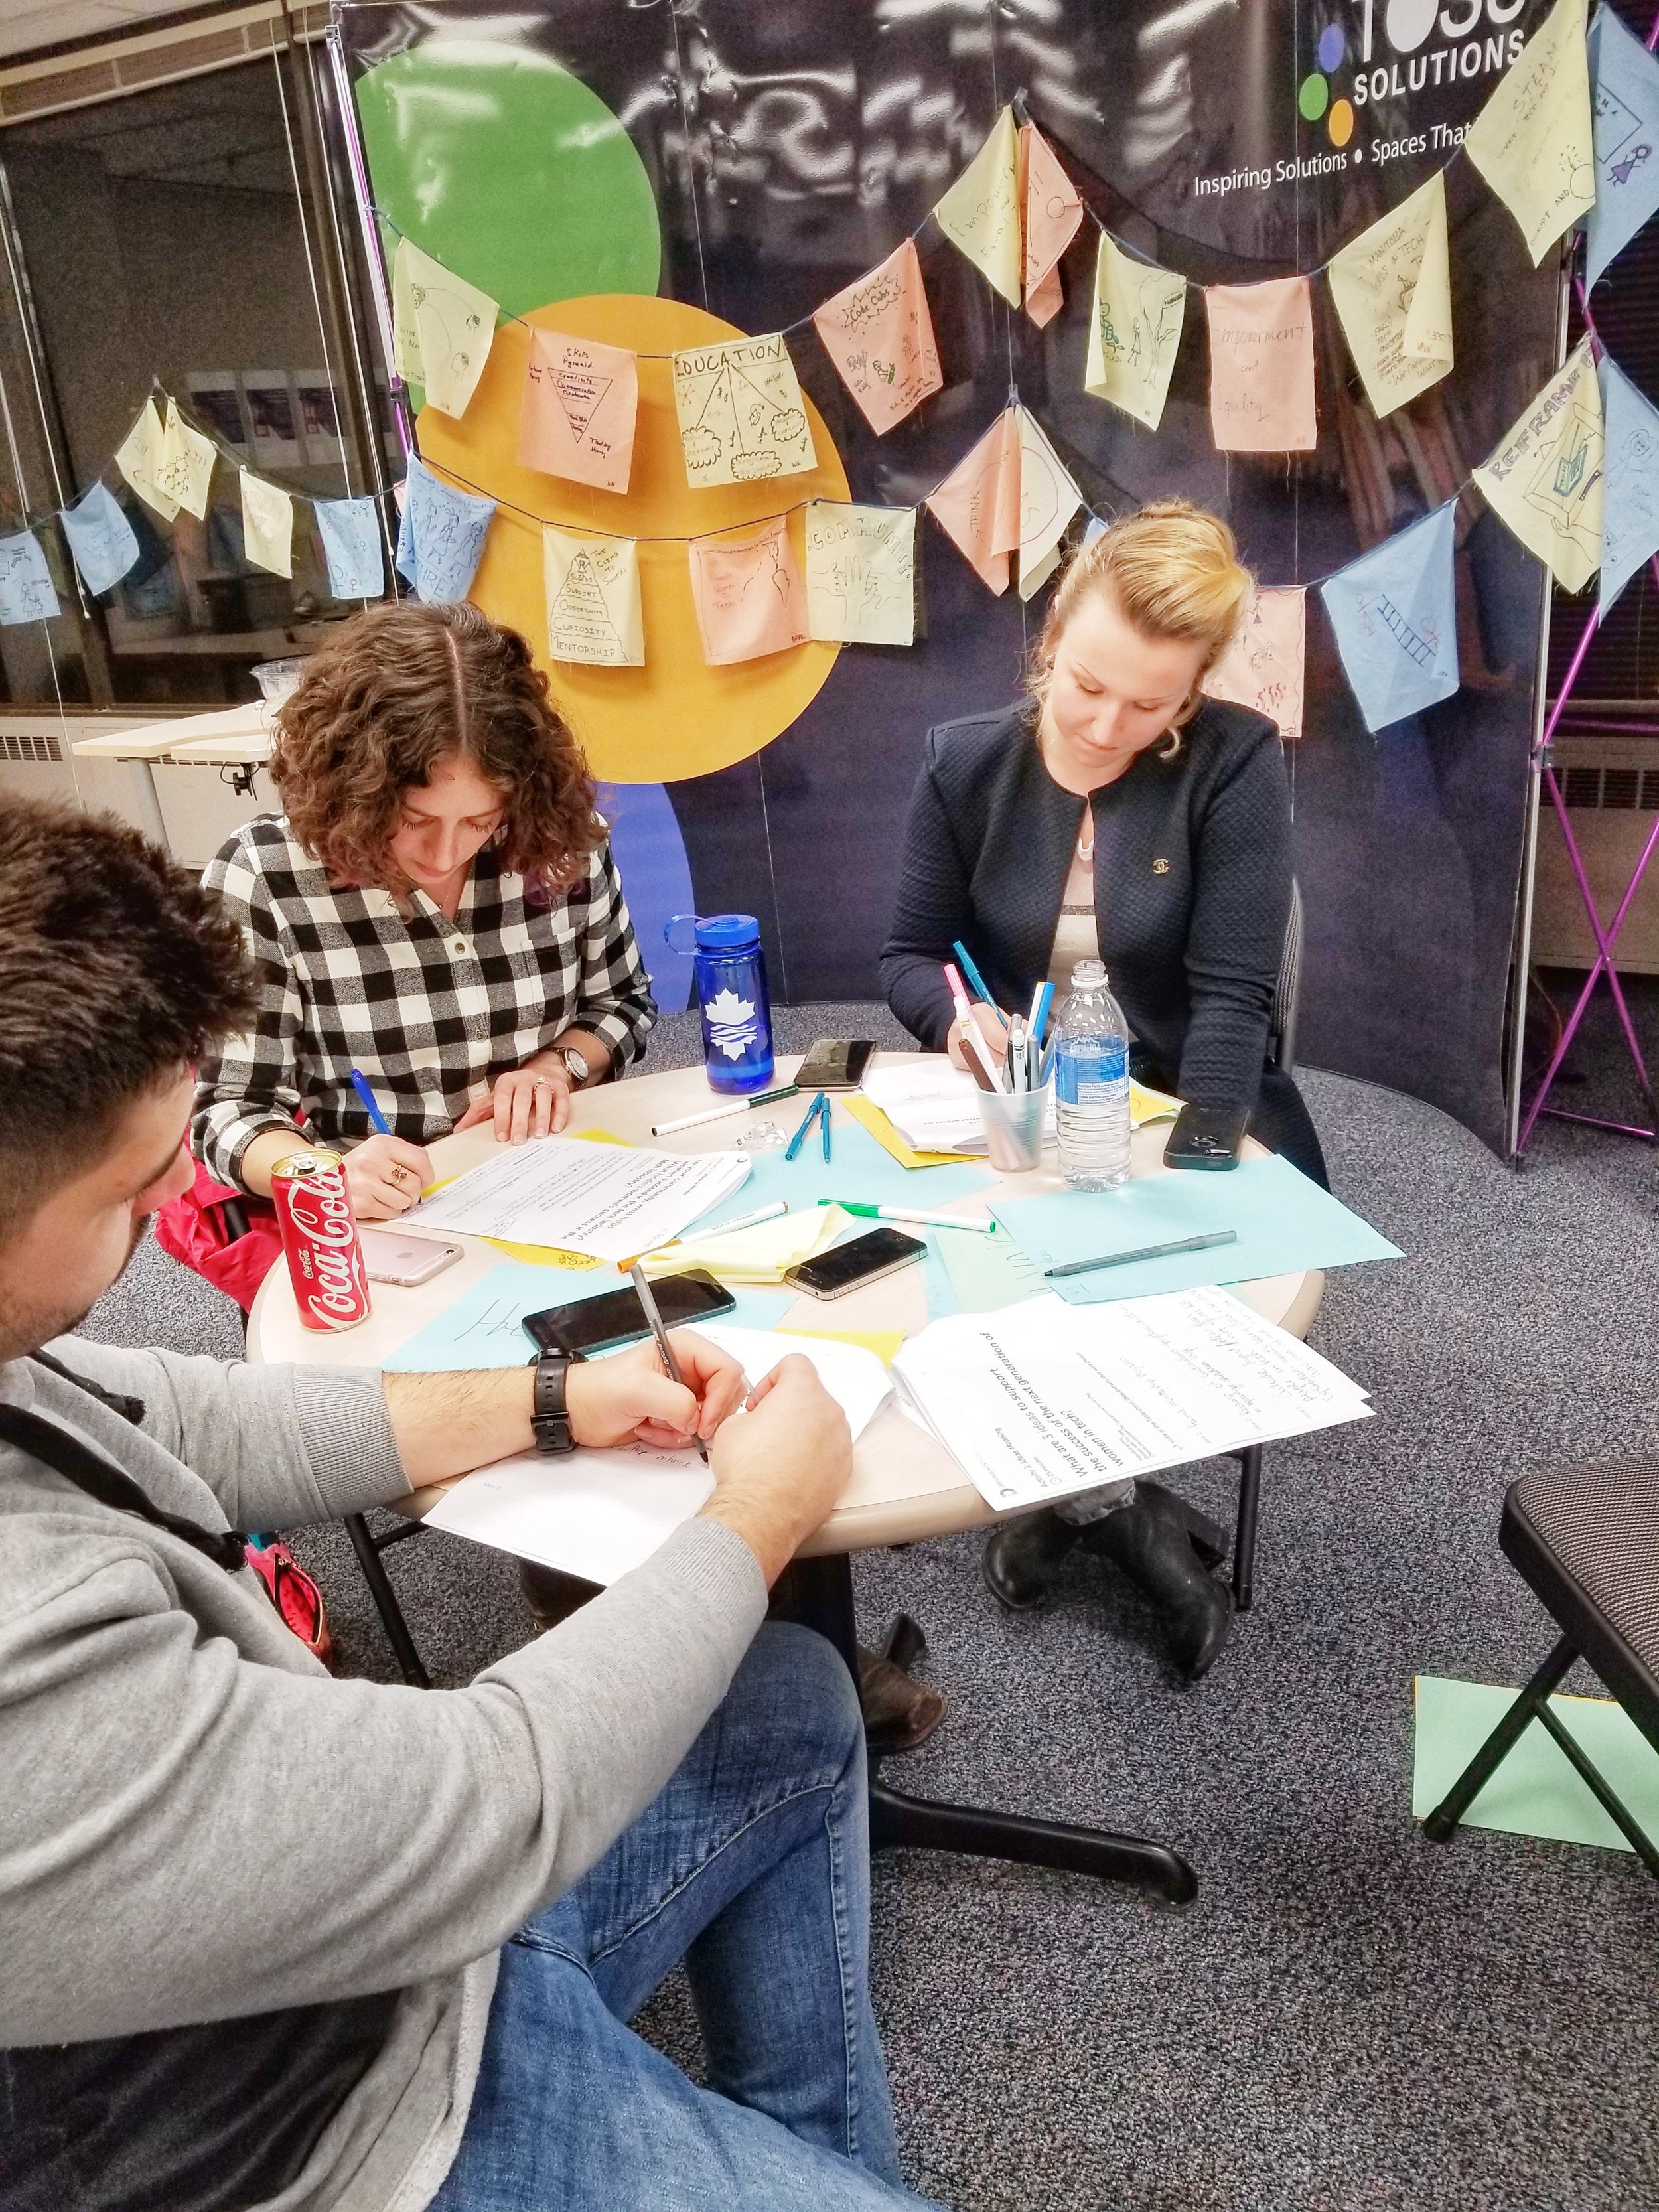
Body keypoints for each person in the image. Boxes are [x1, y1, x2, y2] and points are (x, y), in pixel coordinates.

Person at [0, 795, 932, 2212]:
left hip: (378, 1975)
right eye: (136, 1190)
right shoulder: (25, 1658)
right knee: (730, 1650)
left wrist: (554, 1396)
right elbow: (490, 1802)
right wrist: (751, 1520)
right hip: (319, 2148)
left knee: (793, 1699)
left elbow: (179, 1412)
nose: (171, 1203)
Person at [880, 500, 1326, 1682]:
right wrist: (956, 1018)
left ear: (1192, 699)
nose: (1106, 723)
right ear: (1052, 636)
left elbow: (1234, 999)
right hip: (1026, 1099)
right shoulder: (965, 760)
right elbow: (907, 950)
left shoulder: (1232, 761)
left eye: (1151, 704)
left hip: (1190, 1094)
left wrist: (1189, 1175)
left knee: (1149, 1278)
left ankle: (1092, 1496)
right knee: (963, 1259)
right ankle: (1094, 1492)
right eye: (1087, 683)